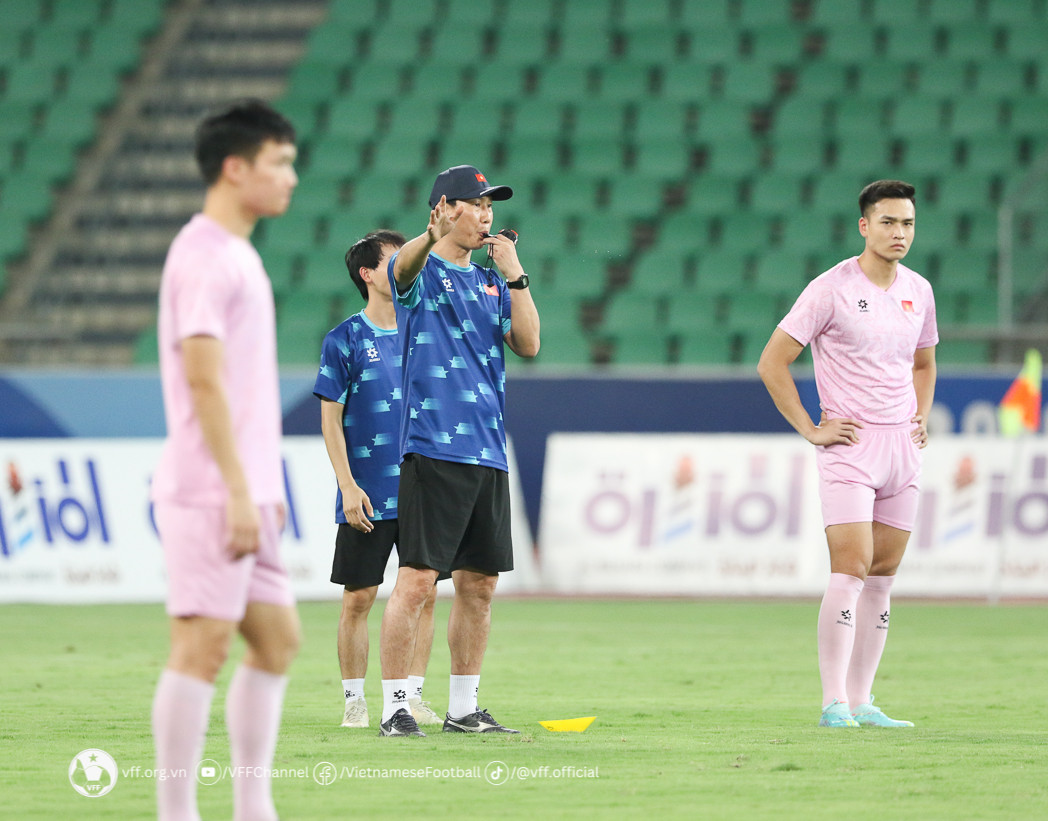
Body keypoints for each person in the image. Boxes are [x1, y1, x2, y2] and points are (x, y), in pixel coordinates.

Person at [150, 99, 300, 820]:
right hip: (213, 490)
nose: (291, 177)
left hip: (247, 488)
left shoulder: (237, 252)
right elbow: (203, 380)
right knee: (201, 647)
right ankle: (176, 812)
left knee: (277, 641)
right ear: (236, 168)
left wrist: (262, 486)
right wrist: (239, 490)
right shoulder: (205, 257)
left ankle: (252, 808)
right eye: (280, 162)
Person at [757, 179, 938, 729]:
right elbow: (772, 362)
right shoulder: (830, 288)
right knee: (852, 568)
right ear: (864, 226)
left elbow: (924, 363)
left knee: (882, 575)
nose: (899, 233)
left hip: (902, 449)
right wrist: (811, 429)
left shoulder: (919, 290)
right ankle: (833, 703)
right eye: (888, 222)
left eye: (907, 223)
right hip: (851, 448)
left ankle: (863, 702)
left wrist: (920, 416)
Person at [376, 164, 540, 737]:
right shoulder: (421, 272)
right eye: (477, 204)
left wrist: (517, 277)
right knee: (418, 580)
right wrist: (428, 235)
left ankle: (464, 709)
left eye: (491, 206)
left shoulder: (493, 282)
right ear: (445, 208)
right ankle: (396, 707)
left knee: (480, 585)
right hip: (433, 446)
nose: (487, 215)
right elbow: (399, 270)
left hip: (488, 449)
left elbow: (529, 344)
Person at [313, 229, 443, 730]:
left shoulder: (426, 329)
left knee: (424, 595)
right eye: (395, 258)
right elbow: (330, 419)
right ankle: (354, 700)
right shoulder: (344, 339)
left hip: (422, 489)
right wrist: (347, 485)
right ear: (368, 274)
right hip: (368, 490)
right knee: (359, 598)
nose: (408, 263)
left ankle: (410, 697)